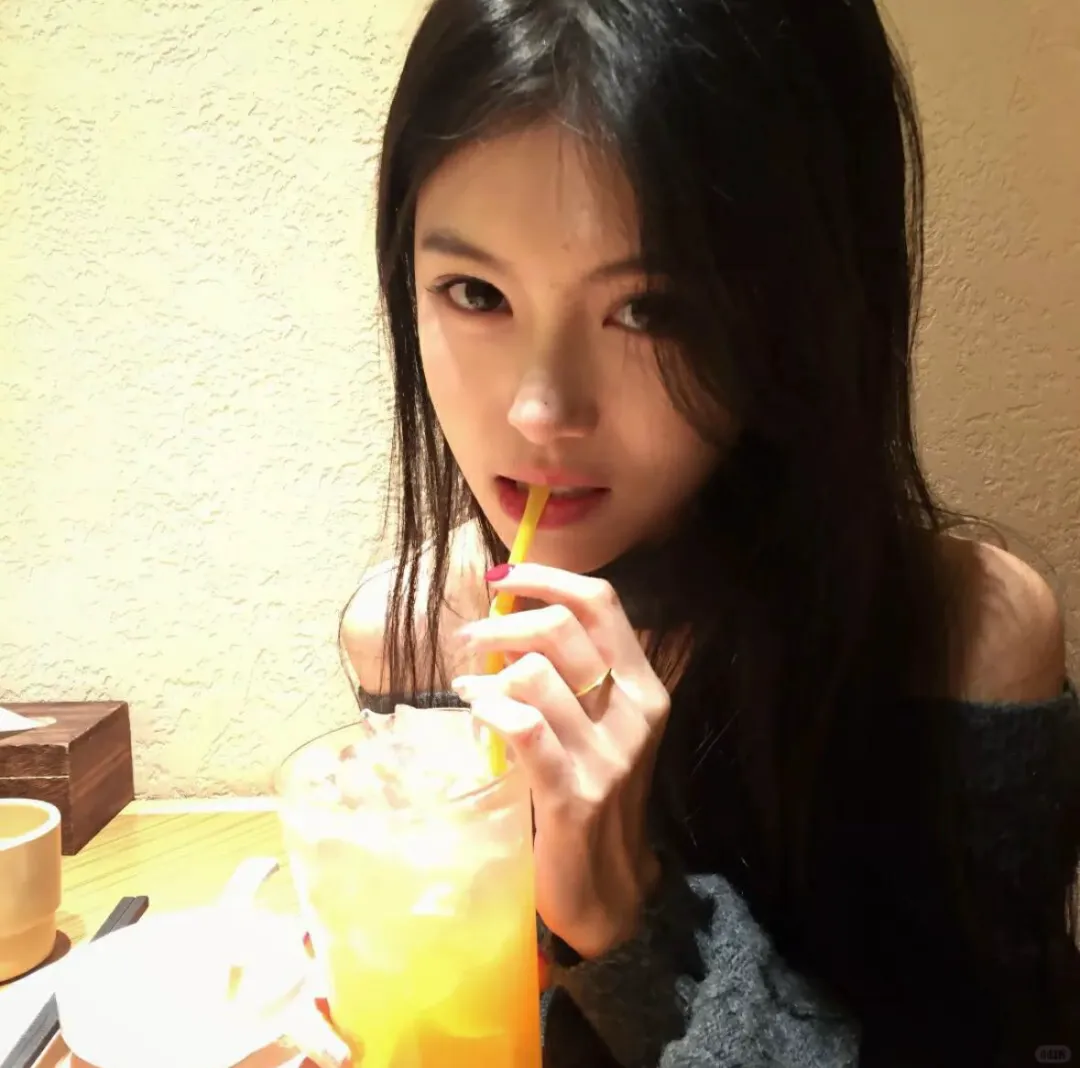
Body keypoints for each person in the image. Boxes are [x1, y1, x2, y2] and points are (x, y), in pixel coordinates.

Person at [331, 0, 1080, 1065]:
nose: (540, 412)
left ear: (807, 309)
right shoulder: (413, 635)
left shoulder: (966, 643)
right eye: (474, 292)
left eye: (650, 309)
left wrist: (633, 924)